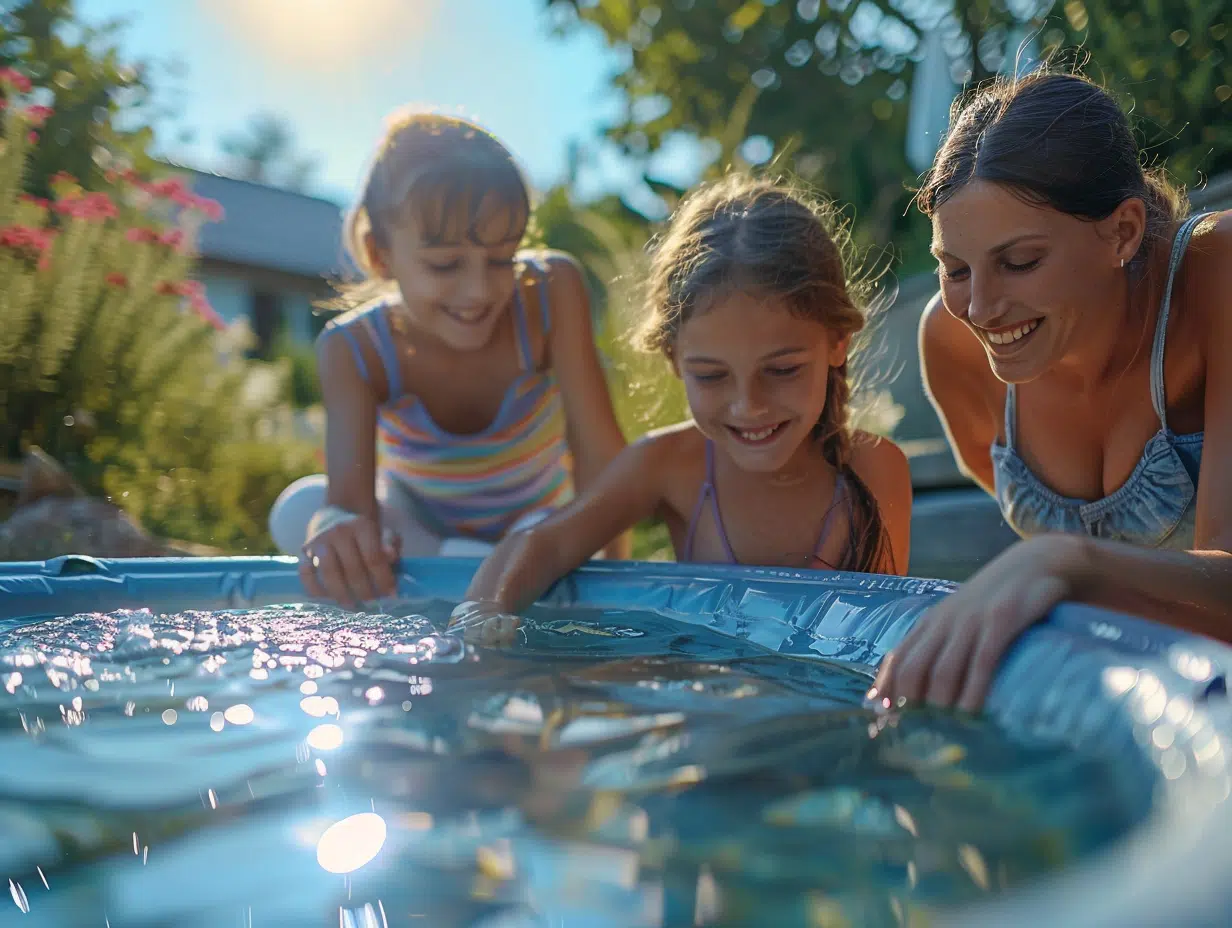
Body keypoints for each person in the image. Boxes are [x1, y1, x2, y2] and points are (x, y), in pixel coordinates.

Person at [871, 70, 1232, 713]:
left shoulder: (1216, 276)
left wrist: (1066, 561)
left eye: (1020, 263)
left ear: (1122, 232)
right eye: (954, 269)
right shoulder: (953, 349)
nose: (980, 308)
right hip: (1132, 699)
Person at [454, 174, 913, 639]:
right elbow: (545, 543)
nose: (747, 406)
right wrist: (480, 617)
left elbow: (881, 637)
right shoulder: (670, 465)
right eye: (711, 376)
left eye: (781, 370)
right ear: (673, 358)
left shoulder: (873, 473)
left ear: (837, 342)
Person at [270, 109, 629, 608]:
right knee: (301, 510)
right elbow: (352, 506)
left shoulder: (549, 290)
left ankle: (468, 574)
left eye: (502, 258)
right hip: (418, 529)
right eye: (445, 264)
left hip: (534, 526)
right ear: (380, 256)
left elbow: (600, 459)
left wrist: (615, 583)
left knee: (555, 530)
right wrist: (339, 531)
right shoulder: (353, 348)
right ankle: (483, 571)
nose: (480, 290)